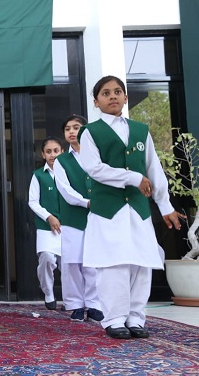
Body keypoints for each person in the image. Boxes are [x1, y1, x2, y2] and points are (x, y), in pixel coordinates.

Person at [78, 75, 185, 339]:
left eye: (117, 91)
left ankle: (136, 318)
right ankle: (114, 319)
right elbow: (94, 169)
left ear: (126, 97)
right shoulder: (90, 132)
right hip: (107, 210)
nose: (112, 96)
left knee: (141, 263)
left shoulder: (141, 130)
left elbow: (154, 170)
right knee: (113, 265)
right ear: (96, 101)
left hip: (137, 209)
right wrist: (132, 178)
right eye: (105, 93)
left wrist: (165, 206)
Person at [53, 115, 104, 323]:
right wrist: (86, 202)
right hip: (73, 216)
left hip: (98, 216)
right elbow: (65, 190)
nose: (72, 132)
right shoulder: (61, 161)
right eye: (67, 129)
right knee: (72, 262)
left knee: (93, 262)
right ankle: (75, 304)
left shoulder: (98, 155)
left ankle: (93, 305)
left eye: (76, 127)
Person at [28, 137, 63, 311]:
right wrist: (49, 217)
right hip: (46, 227)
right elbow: (33, 202)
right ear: (43, 154)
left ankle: (74, 299)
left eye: (56, 150)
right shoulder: (38, 175)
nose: (52, 155)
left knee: (70, 265)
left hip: (68, 226)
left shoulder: (69, 173)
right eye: (48, 151)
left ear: (61, 152)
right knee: (47, 259)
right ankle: (48, 293)